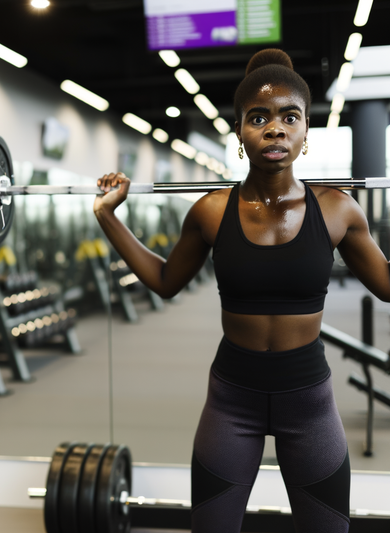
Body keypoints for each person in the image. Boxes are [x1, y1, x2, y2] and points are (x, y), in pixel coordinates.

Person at [93, 48, 390, 533]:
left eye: (289, 117)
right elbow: (166, 282)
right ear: (239, 134)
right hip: (233, 400)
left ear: (305, 134)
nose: (276, 128)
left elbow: (387, 285)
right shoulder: (211, 211)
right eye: (260, 117)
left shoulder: (338, 209)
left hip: (309, 401)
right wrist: (108, 215)